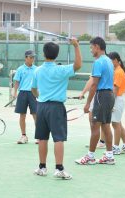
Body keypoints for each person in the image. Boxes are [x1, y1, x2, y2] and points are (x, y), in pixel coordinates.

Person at [31, 39, 81, 179]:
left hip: (41, 107)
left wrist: (39, 98)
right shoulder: (61, 70)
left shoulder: (37, 70)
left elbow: (33, 89)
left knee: (42, 138)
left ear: (43, 54)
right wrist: (76, 46)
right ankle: (59, 169)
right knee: (58, 139)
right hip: (56, 108)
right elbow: (78, 65)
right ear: (56, 55)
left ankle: (42, 167)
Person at [75, 37, 115, 165]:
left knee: (95, 126)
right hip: (109, 96)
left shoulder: (98, 62)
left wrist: (87, 103)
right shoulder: (108, 60)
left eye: (91, 47)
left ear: (97, 47)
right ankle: (109, 156)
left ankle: (90, 157)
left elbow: (94, 84)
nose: (91, 50)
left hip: (102, 96)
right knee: (106, 125)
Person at [107, 52, 125, 155]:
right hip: (118, 99)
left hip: (117, 99)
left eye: (111, 60)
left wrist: (111, 103)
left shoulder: (118, 72)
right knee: (118, 123)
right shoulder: (117, 70)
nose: (110, 63)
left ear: (116, 60)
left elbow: (115, 90)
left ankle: (116, 147)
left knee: (115, 124)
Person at [13, 50, 37, 144]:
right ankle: (23, 136)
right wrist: (14, 92)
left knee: (36, 115)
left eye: (33, 57)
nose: (32, 59)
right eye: (31, 57)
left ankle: (39, 136)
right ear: (26, 58)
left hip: (33, 94)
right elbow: (17, 82)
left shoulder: (37, 69)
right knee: (22, 115)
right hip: (22, 93)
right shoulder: (20, 69)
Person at [80, 77, 106, 149]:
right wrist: (83, 92)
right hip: (99, 95)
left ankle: (102, 142)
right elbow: (91, 80)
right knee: (94, 121)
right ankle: (95, 142)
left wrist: (83, 93)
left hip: (100, 96)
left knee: (101, 122)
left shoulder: (99, 66)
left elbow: (92, 82)